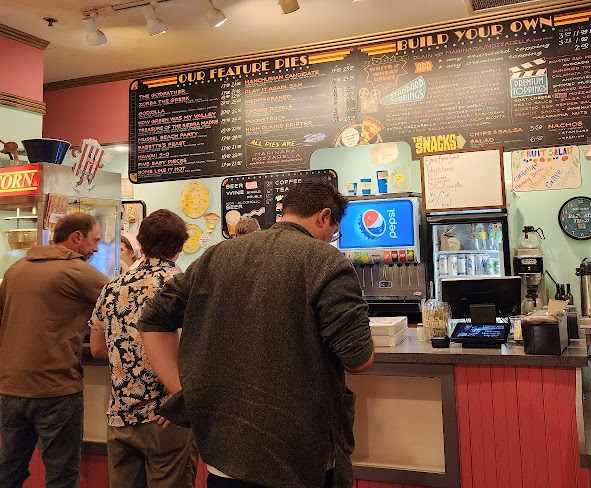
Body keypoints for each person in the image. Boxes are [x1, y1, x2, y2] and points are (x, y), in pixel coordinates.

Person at [138, 180, 374, 488]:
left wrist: (188, 393)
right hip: (301, 457)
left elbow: (153, 319)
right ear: (323, 216)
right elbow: (357, 360)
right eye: (334, 230)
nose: (331, 237)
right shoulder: (325, 260)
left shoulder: (215, 256)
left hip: (226, 456)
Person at [90, 209, 197, 488]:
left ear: (140, 242)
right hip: (167, 417)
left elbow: (97, 349)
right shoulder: (185, 287)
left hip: (121, 415)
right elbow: (196, 350)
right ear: (181, 246)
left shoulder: (112, 288)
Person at [0, 212, 108, 488]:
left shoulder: (15, 270)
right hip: (56, 388)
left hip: (11, 388)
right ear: (76, 237)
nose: (96, 248)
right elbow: (123, 305)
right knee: (61, 476)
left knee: (8, 472)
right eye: (94, 241)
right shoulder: (77, 271)